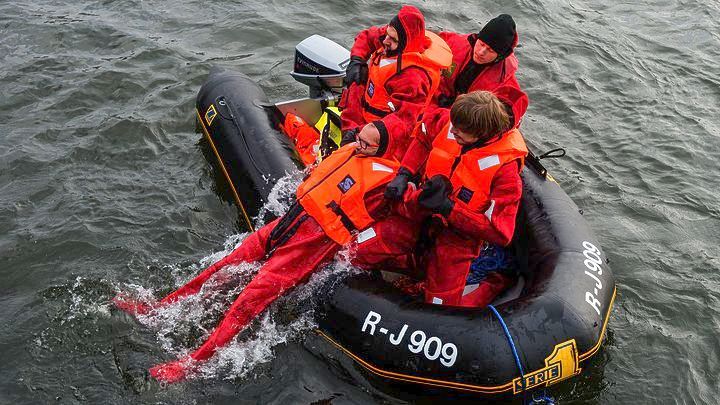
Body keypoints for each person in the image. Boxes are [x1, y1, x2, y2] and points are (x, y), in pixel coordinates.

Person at [113, 128, 401, 383]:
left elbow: (396, 222)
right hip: (289, 223)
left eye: (367, 144)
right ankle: (158, 308)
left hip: (309, 246)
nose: (359, 145)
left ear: (384, 150)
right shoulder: (351, 150)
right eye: (359, 139)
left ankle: (193, 364)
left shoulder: (387, 183)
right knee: (224, 265)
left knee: (248, 302)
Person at [352, 90, 528, 307]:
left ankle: (494, 282)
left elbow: (501, 233)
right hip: (419, 211)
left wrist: (449, 208)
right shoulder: (449, 122)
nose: (452, 131)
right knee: (356, 251)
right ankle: (413, 269)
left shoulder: (505, 172)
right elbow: (423, 135)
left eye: (460, 132)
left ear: (481, 134)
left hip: (456, 238)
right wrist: (404, 173)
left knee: (438, 307)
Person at [340, 5, 452, 161]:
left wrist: (363, 133)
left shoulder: (413, 78)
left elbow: (403, 121)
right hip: (361, 113)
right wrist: (357, 60)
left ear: (406, 44)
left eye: (392, 39)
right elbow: (367, 37)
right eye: (387, 35)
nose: (385, 41)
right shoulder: (393, 37)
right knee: (357, 79)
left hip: (381, 134)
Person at [434, 14, 523, 110]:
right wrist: (438, 95)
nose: (481, 52)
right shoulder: (453, 43)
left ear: (500, 56)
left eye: (490, 50)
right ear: (477, 38)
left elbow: (511, 113)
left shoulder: (505, 83)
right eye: (481, 44)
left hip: (466, 117)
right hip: (435, 98)